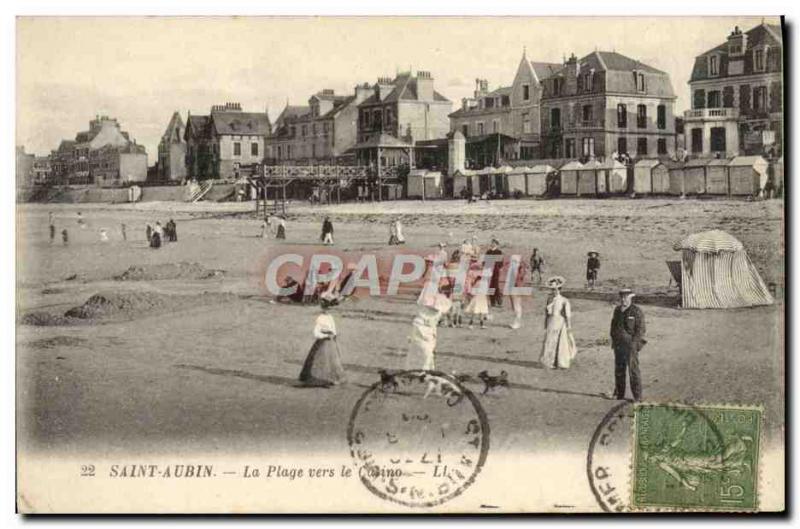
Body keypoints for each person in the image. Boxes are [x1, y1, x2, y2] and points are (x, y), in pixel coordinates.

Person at [298, 294, 347, 387]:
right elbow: (316, 332)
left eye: (329, 308)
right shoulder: (320, 318)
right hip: (323, 341)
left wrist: (334, 334)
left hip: (330, 342)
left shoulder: (330, 317)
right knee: (322, 360)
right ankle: (319, 379)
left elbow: (333, 329)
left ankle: (329, 379)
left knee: (331, 362)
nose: (327, 310)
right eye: (326, 308)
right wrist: (325, 335)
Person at [610, 288, 646, 401]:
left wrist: (634, 344)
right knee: (619, 370)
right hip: (618, 345)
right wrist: (614, 340)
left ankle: (637, 397)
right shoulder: (617, 310)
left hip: (631, 346)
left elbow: (641, 330)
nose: (623, 300)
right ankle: (620, 394)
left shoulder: (636, 311)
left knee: (633, 371)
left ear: (630, 298)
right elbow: (613, 327)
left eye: (625, 297)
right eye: (621, 297)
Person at [405, 291, 452, 371]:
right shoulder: (432, 301)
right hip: (421, 329)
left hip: (428, 330)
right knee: (423, 353)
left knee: (428, 354)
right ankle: (419, 372)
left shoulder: (438, 305)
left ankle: (426, 371)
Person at [539, 276, 577, 369]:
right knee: (550, 341)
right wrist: (545, 323)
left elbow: (567, 315)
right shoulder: (549, 299)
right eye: (552, 290)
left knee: (561, 342)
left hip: (560, 322)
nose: (554, 291)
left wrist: (568, 326)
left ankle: (561, 362)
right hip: (551, 321)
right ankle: (549, 362)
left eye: (556, 289)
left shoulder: (564, 300)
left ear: (560, 289)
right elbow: (546, 313)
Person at [464, 261, 489, 329]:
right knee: (475, 309)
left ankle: (481, 324)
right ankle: (471, 323)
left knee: (482, 309)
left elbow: (486, 285)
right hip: (477, 293)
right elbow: (471, 282)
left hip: (482, 294)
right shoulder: (476, 273)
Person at [508, 255, 529, 330]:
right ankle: (516, 322)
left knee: (517, 306)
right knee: (515, 306)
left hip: (517, 288)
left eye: (514, 261)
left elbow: (521, 278)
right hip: (514, 288)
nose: (512, 263)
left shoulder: (520, 269)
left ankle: (517, 322)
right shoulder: (514, 269)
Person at [485, 239, 504, 308]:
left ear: (496, 244)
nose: (492, 244)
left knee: (495, 286)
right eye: (492, 243)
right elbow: (485, 261)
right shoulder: (488, 252)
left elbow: (501, 262)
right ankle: (492, 301)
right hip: (489, 270)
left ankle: (499, 300)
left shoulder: (499, 252)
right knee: (490, 286)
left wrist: (498, 267)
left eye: (494, 243)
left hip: (496, 271)